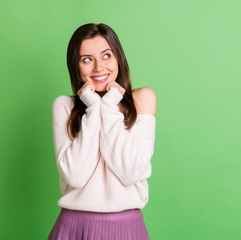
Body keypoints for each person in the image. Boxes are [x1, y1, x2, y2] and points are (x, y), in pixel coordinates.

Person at [48, 23, 157, 240]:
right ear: (76, 66)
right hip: (74, 228)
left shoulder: (142, 99)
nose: (98, 67)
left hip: (127, 229)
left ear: (118, 58)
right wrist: (94, 107)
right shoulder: (64, 106)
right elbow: (75, 176)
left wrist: (108, 106)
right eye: (86, 59)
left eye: (106, 55)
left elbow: (131, 173)